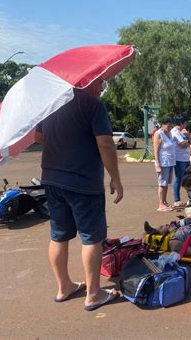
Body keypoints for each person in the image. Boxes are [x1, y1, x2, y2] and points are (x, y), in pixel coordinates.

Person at [34, 79, 122, 311]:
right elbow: (105, 144)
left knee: (58, 236)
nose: (103, 88)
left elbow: (38, 136)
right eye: (101, 83)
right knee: (92, 237)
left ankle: (64, 287)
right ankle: (94, 294)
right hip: (83, 183)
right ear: (87, 81)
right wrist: (115, 178)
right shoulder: (92, 105)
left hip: (52, 179)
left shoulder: (53, 104)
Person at [153, 116, 176, 212]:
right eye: (168, 125)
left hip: (170, 162)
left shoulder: (169, 133)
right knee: (162, 184)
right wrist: (157, 164)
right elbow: (156, 150)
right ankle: (160, 204)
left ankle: (164, 201)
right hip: (163, 163)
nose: (169, 128)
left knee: (166, 183)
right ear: (163, 124)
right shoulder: (158, 134)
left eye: (170, 126)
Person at [171, 117, 191, 207]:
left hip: (186, 158)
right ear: (182, 123)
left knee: (188, 178)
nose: (186, 125)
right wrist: (189, 140)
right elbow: (183, 144)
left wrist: (188, 136)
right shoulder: (175, 132)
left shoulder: (183, 132)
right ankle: (177, 200)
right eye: (185, 123)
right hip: (179, 159)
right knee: (179, 179)